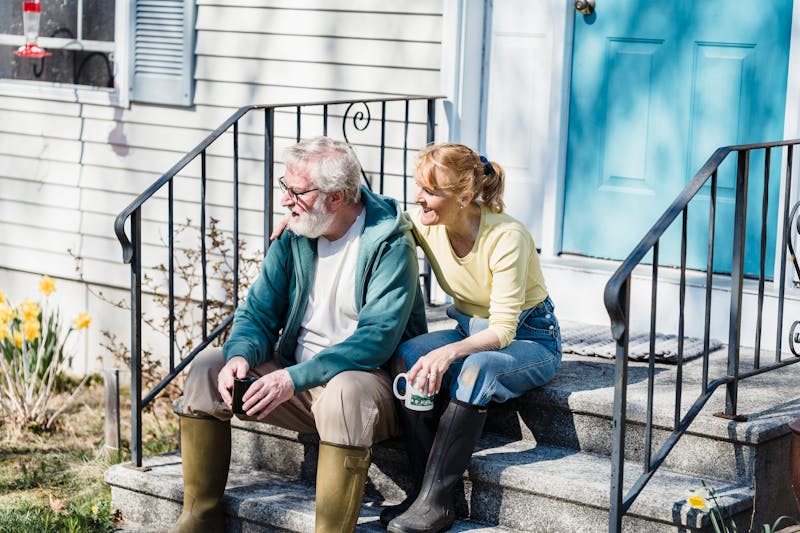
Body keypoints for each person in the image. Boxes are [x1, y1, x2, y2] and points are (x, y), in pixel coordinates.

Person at [170, 136, 428, 533]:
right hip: (296, 379)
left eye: (297, 192)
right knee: (209, 365)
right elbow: (257, 312)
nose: (286, 201)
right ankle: (199, 519)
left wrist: (292, 378)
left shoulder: (390, 244)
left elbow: (376, 339)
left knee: (344, 392)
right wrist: (240, 355)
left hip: (368, 384)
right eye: (284, 187)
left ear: (337, 197)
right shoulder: (295, 235)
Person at [383, 143, 562, 533]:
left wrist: (448, 354)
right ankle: (424, 493)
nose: (419, 198)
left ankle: (437, 501)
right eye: (418, 187)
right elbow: (374, 211)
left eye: (430, 191)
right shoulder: (426, 223)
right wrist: (303, 217)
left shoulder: (507, 237)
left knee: (474, 369)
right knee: (410, 354)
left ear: (464, 197)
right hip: (468, 328)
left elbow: (502, 331)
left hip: (531, 338)